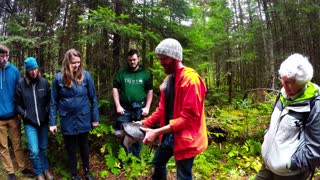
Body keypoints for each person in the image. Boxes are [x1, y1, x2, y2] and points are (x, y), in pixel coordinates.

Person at [138, 38, 208, 180]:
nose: (161, 63)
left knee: (183, 175)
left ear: (175, 58)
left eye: (163, 59)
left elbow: (188, 119)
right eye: (159, 59)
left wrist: (156, 131)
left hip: (186, 139)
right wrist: (144, 123)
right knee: (157, 163)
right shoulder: (168, 81)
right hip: (169, 135)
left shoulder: (191, 81)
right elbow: (161, 109)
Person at [256, 53, 320, 180]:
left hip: (290, 173)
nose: (284, 86)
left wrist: (291, 164)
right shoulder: (283, 94)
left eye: (290, 83)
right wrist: (268, 137)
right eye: (282, 80)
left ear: (302, 83)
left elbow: (316, 147)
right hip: (269, 163)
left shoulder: (314, 104)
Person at [49, 49, 99, 180]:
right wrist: (53, 122)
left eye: (78, 62)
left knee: (84, 147)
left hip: (84, 118)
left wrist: (95, 118)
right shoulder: (58, 78)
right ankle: (74, 174)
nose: (76, 65)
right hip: (67, 120)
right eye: (73, 63)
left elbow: (93, 98)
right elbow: (53, 102)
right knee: (71, 149)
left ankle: (87, 172)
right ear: (67, 62)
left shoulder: (86, 76)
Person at [14, 57, 54, 180]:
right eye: (31, 69)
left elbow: (50, 100)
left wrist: (46, 111)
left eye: (35, 68)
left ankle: (45, 169)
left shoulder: (44, 82)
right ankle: (38, 173)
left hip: (42, 122)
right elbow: (17, 104)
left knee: (43, 148)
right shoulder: (21, 84)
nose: (34, 71)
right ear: (27, 71)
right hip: (30, 123)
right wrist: (25, 115)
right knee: (34, 150)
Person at [0, 44, 34, 180]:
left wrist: (21, 110)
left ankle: (22, 167)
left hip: (13, 116)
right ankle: (10, 172)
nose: (4, 59)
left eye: (6, 56)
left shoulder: (14, 71)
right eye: (1, 56)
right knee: (3, 146)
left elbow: (19, 92)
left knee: (17, 143)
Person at [112, 49, 153, 158]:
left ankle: (136, 157)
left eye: (134, 59)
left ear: (139, 59)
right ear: (127, 60)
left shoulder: (145, 75)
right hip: (124, 108)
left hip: (139, 108)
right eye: (130, 60)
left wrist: (147, 107)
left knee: (138, 132)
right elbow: (115, 88)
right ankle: (124, 157)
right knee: (122, 131)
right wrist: (118, 105)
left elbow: (150, 91)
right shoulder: (122, 74)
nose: (132, 62)